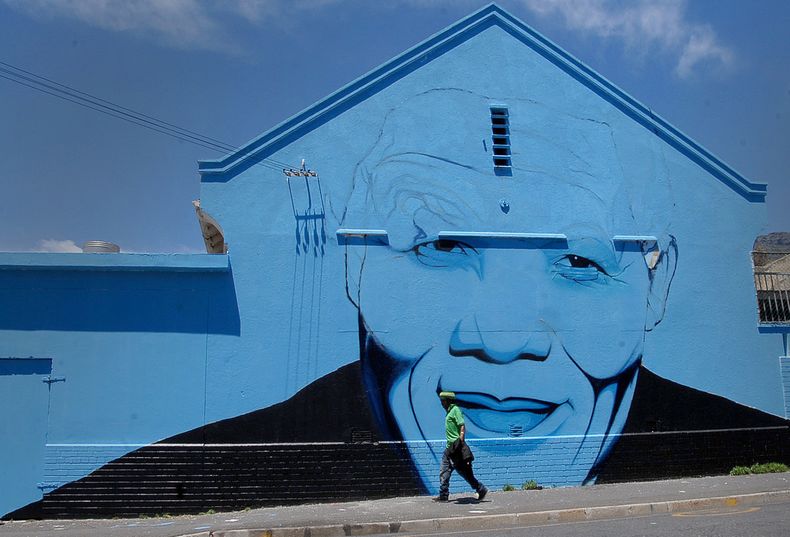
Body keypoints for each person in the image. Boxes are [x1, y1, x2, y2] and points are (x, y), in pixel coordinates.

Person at [435, 391, 487, 502]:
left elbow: (462, 426)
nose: (441, 403)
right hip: (450, 447)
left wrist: (461, 441)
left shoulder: (455, 410)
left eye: (443, 401)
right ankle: (443, 494)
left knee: (463, 472)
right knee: (446, 470)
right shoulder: (449, 412)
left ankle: (480, 488)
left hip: (455, 447)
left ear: (448, 401)